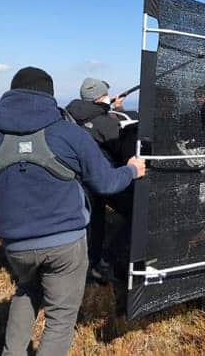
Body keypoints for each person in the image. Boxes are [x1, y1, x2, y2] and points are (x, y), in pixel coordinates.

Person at [0, 67, 146, 355]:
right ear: (49, 95)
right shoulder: (67, 133)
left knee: (27, 289)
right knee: (60, 318)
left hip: (15, 243)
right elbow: (105, 182)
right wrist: (131, 170)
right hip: (65, 241)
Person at [66, 78, 134, 282]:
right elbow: (119, 141)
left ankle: (92, 265)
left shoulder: (73, 113)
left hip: (79, 180)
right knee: (136, 212)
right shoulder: (103, 122)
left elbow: (94, 122)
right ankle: (106, 262)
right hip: (105, 178)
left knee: (93, 223)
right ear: (100, 98)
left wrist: (112, 108)